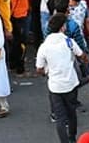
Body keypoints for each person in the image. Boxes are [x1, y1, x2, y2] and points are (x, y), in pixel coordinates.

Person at [37, 14, 85, 143]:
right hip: (71, 83)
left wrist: (46, 71)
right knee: (71, 113)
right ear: (62, 27)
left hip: (55, 86)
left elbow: (39, 68)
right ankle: (72, 138)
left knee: (60, 118)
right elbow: (81, 55)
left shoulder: (44, 46)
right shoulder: (69, 42)